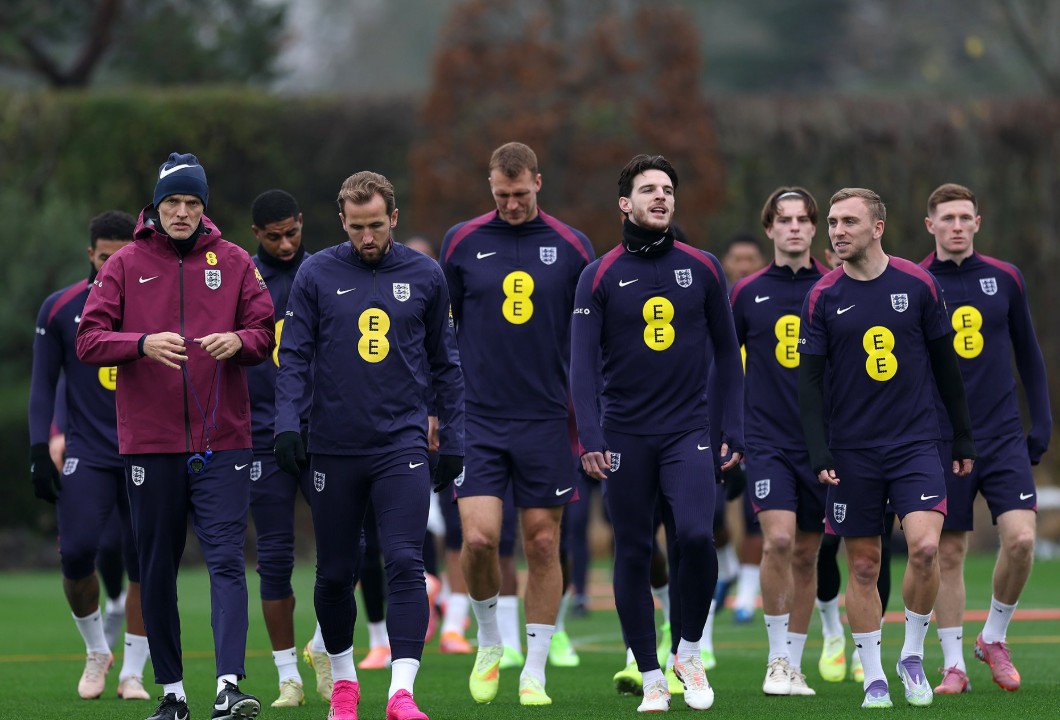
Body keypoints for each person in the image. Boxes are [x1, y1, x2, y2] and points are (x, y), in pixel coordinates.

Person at [76, 153, 275, 720]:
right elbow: (88, 339)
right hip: (151, 443)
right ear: (156, 207)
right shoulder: (125, 263)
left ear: (203, 206)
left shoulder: (234, 260)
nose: (182, 212)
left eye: (192, 202)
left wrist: (240, 341)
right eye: (172, 202)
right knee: (156, 569)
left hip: (224, 440)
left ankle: (229, 687)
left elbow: (264, 331)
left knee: (227, 562)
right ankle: (173, 694)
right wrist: (140, 343)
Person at [273, 170, 465, 720]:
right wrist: (287, 424)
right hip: (333, 447)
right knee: (336, 571)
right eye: (356, 227)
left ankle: (402, 692)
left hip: (401, 444)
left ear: (394, 218)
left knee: (404, 560)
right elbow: (295, 357)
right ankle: (344, 685)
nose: (367, 236)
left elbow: (446, 363)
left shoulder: (425, 274)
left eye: (376, 225)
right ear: (342, 222)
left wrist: (454, 438)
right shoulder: (315, 272)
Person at [571, 154, 745, 712]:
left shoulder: (704, 266)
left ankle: (688, 652)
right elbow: (580, 366)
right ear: (625, 203)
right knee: (634, 550)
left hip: (688, 429)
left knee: (695, 536)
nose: (661, 197)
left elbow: (728, 352)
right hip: (624, 434)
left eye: (667, 189)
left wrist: (733, 427)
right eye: (649, 189)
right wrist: (590, 437)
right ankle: (649, 674)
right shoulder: (598, 274)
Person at [797, 187, 976, 710]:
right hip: (853, 450)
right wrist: (818, 449)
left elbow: (946, 365)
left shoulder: (918, 284)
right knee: (864, 566)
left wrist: (962, 434)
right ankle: (873, 675)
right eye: (833, 222)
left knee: (925, 549)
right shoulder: (823, 296)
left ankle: (912, 655)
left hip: (916, 442)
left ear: (877, 228)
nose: (837, 231)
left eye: (848, 222)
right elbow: (809, 383)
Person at [439, 141, 594, 707]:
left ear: (538, 183)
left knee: (544, 542)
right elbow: (441, 333)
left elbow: (590, 338)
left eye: (520, 193)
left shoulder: (573, 246)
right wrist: (437, 407)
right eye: (502, 194)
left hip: (547, 419)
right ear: (490, 186)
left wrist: (590, 417)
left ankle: (534, 670)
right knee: (480, 539)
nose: (511, 204)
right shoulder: (461, 241)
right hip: (477, 417)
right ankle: (488, 641)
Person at [919, 183, 1051, 694]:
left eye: (964, 217)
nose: (956, 225)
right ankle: (953, 664)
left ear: (978, 222)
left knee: (1021, 540)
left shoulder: (1006, 277)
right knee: (949, 552)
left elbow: (1029, 355)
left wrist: (1041, 422)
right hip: (942, 438)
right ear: (930, 225)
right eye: (947, 217)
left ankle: (993, 637)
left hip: (1001, 434)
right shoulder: (916, 281)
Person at [28, 210, 152, 701]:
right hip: (90, 451)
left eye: (122, 258)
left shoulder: (157, 303)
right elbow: (43, 385)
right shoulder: (60, 308)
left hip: (147, 450)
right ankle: (98, 650)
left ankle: (133, 672)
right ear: (90, 255)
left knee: (146, 562)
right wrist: (39, 448)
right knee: (77, 552)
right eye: (104, 258)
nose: (112, 267)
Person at [730, 187, 830, 696]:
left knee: (808, 555)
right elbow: (723, 365)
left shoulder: (835, 286)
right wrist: (726, 430)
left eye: (802, 219)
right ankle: (775, 660)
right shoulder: (746, 292)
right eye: (784, 219)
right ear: (769, 228)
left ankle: (794, 663)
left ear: (814, 228)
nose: (794, 227)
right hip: (766, 440)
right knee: (780, 541)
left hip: (822, 445)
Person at [243, 189, 317, 707]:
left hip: (321, 431)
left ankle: (324, 647)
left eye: (292, 232)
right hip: (260, 435)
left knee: (350, 547)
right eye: (274, 237)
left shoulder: (326, 271)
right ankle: (288, 675)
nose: (286, 244)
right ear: (257, 235)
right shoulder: (239, 278)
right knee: (273, 557)